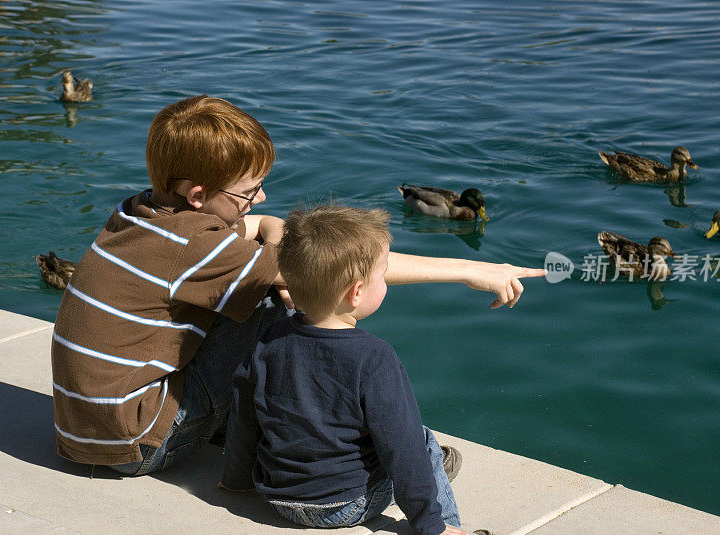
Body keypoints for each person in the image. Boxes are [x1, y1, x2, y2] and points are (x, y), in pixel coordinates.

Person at [50, 94, 545, 476]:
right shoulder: (198, 247)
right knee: (289, 306)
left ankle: (244, 425)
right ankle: (337, 450)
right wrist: (470, 269)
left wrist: (269, 230)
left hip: (86, 428)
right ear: (198, 196)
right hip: (134, 442)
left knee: (271, 285)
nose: (261, 196)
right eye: (247, 191)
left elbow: (261, 224)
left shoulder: (142, 212)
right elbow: (336, 264)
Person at [220, 204, 494, 535]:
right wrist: (428, 522)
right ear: (357, 292)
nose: (386, 281)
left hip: (279, 498)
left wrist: (235, 480)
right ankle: (444, 528)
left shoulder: (268, 340)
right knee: (422, 442)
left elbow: (244, 417)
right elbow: (401, 447)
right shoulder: (375, 357)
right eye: (383, 273)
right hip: (345, 506)